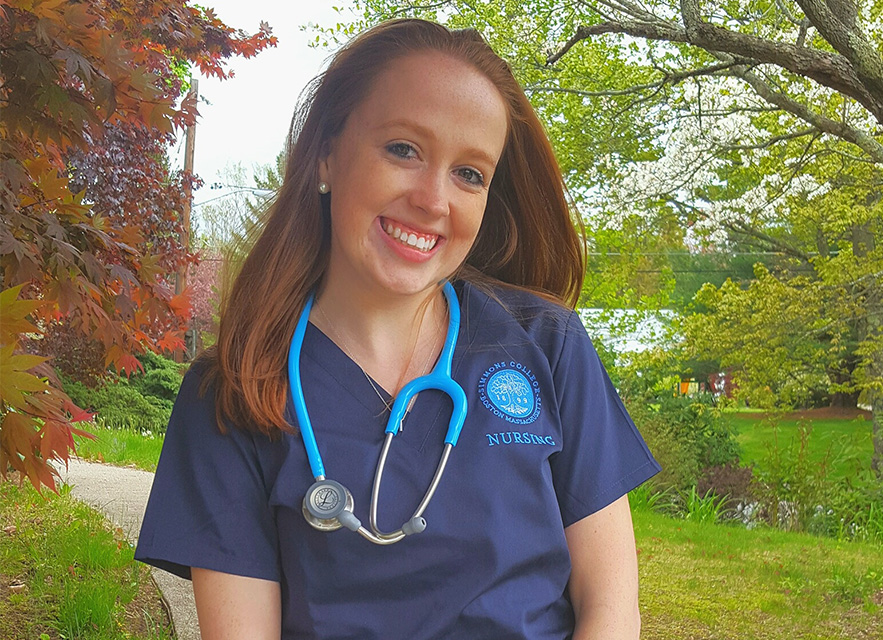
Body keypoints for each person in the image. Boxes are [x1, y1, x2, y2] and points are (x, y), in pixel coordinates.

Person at [135, 18, 660, 640]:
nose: (435, 200)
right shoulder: (231, 392)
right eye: (403, 149)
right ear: (327, 152)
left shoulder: (549, 345)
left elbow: (611, 612)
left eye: (470, 173)